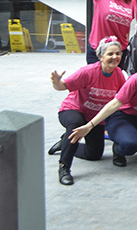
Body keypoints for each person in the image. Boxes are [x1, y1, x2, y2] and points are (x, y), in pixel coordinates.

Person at [49, 36, 127, 185]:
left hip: (95, 119)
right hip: (73, 109)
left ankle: (65, 143)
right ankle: (64, 168)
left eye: (118, 53)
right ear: (101, 56)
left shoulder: (119, 75)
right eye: (110, 54)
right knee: (76, 124)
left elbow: (121, 100)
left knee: (94, 154)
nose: (115, 57)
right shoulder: (88, 72)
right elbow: (62, 86)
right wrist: (56, 82)